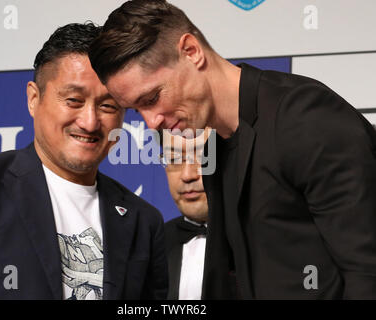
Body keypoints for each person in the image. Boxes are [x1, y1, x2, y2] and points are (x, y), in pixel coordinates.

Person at [89, 0, 376, 299]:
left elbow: (367, 272)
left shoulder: (304, 116)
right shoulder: (217, 143)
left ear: (191, 52)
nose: (151, 122)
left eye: (152, 98)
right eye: (137, 110)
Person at [0, 22, 168, 300]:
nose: (90, 122)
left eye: (108, 106)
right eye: (74, 100)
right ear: (33, 98)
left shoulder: (143, 220)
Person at [163, 128, 236, 300]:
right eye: (174, 159)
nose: (188, 175)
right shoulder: (152, 243)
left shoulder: (261, 239)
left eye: (203, 158)